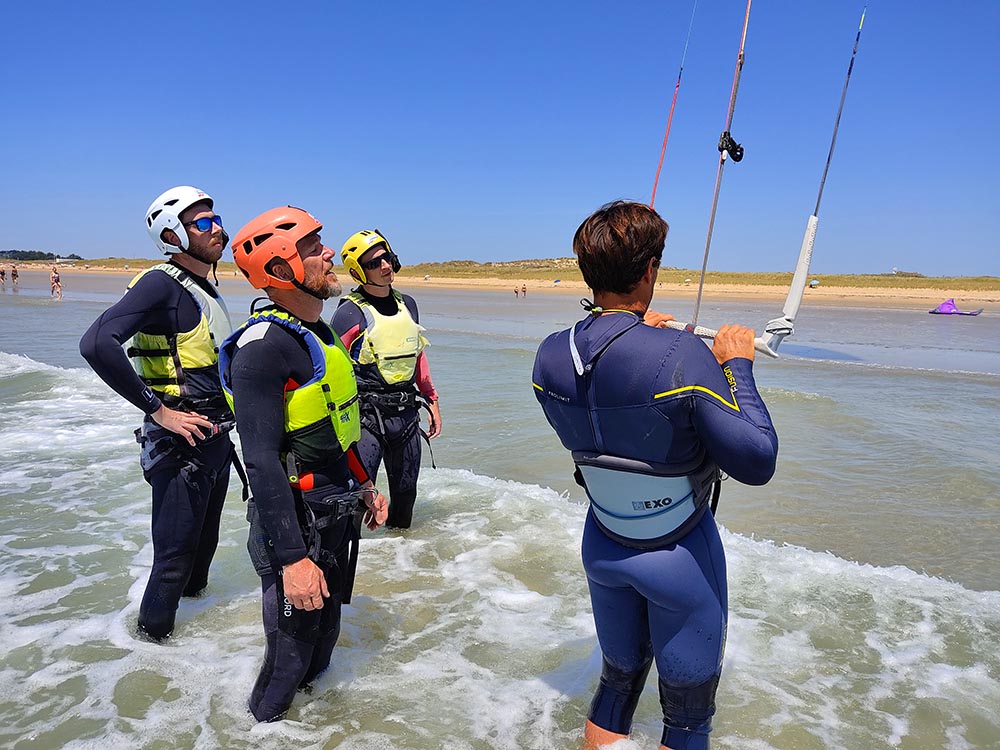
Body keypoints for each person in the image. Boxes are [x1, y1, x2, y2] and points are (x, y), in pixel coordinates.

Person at [532, 201, 778, 750]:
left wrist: (637, 331)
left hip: (602, 544)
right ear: (649, 270)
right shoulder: (683, 354)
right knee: (687, 718)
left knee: (617, 685)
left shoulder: (549, 355)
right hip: (678, 558)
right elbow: (758, 460)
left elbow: (613, 396)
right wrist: (736, 365)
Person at [220, 207, 388, 722]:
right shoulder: (262, 349)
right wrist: (293, 560)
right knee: (288, 659)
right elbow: (262, 459)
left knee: (324, 642)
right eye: (313, 248)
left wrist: (363, 485)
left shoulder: (319, 334)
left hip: (333, 511)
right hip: (293, 524)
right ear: (278, 271)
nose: (329, 252)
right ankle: (258, 730)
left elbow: (336, 433)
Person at [79, 186, 237, 641]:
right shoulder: (159, 283)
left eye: (216, 218)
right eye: (203, 223)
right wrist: (159, 411)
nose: (217, 228)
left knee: (201, 556)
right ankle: (150, 657)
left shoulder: (203, 286)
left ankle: (200, 657)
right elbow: (95, 344)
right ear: (172, 233)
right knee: (172, 562)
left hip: (215, 439)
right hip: (179, 445)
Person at [332, 229, 442, 529]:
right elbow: (331, 368)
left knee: (405, 497)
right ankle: (356, 567)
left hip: (405, 415)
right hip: (367, 418)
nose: (384, 266)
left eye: (387, 257)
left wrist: (431, 399)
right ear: (357, 271)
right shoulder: (348, 312)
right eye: (373, 263)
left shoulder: (409, 304)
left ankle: (400, 560)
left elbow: (417, 355)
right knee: (356, 499)